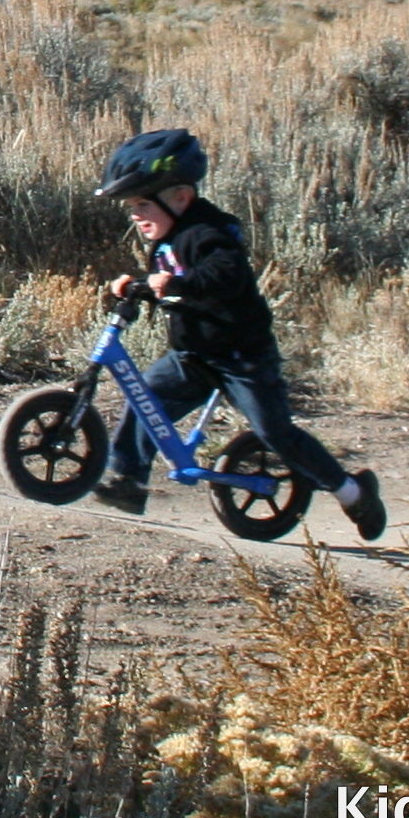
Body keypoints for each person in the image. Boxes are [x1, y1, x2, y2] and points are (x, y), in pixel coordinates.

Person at [89, 127, 385, 540]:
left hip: (242, 356)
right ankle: (128, 480)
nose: (136, 215)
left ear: (181, 198)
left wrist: (176, 286)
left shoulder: (208, 233)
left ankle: (352, 491)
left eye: (143, 204)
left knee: (274, 432)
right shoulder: (166, 237)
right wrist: (138, 286)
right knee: (145, 398)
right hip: (193, 354)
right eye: (131, 206)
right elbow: (171, 281)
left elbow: (222, 275)